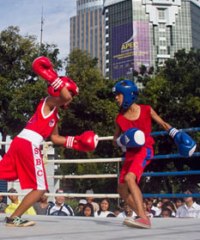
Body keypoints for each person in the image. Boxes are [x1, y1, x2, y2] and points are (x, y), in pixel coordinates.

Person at [0, 56, 98, 227]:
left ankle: (13, 217)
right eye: (72, 94)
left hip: (21, 142)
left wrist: (78, 142)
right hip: (28, 144)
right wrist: (53, 77)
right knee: (41, 188)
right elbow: (66, 97)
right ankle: (12, 218)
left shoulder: (54, 113)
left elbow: (55, 138)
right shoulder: (48, 102)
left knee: (4, 173)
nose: (71, 99)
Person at [112, 79, 196, 229]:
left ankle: (143, 219)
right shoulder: (119, 118)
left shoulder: (146, 110)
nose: (115, 98)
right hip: (130, 154)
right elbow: (114, 140)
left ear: (127, 94)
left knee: (130, 178)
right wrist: (122, 141)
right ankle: (142, 214)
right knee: (121, 189)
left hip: (145, 150)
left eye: (118, 94)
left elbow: (163, 124)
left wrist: (177, 135)